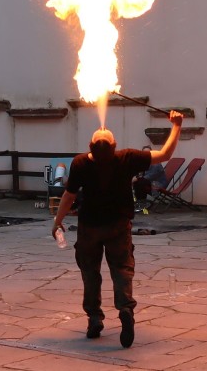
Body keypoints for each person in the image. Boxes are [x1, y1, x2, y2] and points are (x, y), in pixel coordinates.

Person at [52, 111, 183, 348]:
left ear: (91, 145)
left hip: (89, 227)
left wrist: (57, 220)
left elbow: (69, 195)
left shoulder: (81, 162)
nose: (102, 129)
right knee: (122, 270)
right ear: (114, 146)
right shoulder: (127, 158)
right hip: (118, 227)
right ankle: (125, 310)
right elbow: (165, 154)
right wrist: (176, 126)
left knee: (90, 273)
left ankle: (94, 318)